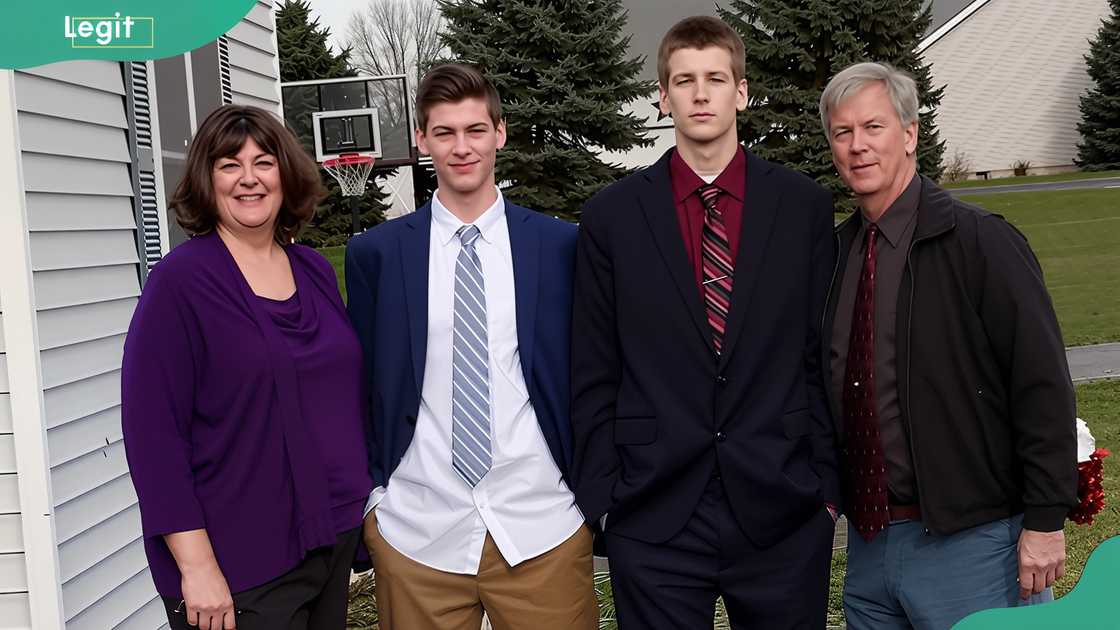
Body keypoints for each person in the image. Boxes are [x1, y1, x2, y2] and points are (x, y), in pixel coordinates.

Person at [571, 16, 840, 629]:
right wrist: (605, 502)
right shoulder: (613, 216)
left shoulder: (802, 208)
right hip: (653, 512)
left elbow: (820, 354)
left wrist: (825, 491)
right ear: (662, 97)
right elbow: (592, 366)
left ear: (740, 92)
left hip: (783, 508)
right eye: (684, 80)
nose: (700, 94)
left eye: (715, 79)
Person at [819, 61, 1077, 629]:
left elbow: (1042, 384)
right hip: (868, 544)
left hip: (975, 543)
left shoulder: (980, 242)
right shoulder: (834, 258)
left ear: (910, 135)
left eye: (874, 127)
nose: (858, 146)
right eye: (843, 132)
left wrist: (1045, 520)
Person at [344, 63, 597, 630]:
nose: (462, 148)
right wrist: (373, 502)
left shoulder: (559, 247)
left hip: (541, 525)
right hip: (417, 532)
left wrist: (585, 503)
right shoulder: (377, 256)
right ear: (421, 139)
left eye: (475, 130)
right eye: (445, 132)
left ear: (500, 134)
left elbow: (591, 375)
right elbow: (357, 386)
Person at [121, 105, 372, 630]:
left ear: (285, 173)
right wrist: (197, 568)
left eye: (263, 162)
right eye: (229, 165)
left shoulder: (314, 269)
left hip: (328, 542)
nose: (249, 179)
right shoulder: (181, 284)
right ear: (206, 180)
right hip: (238, 565)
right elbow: (153, 439)